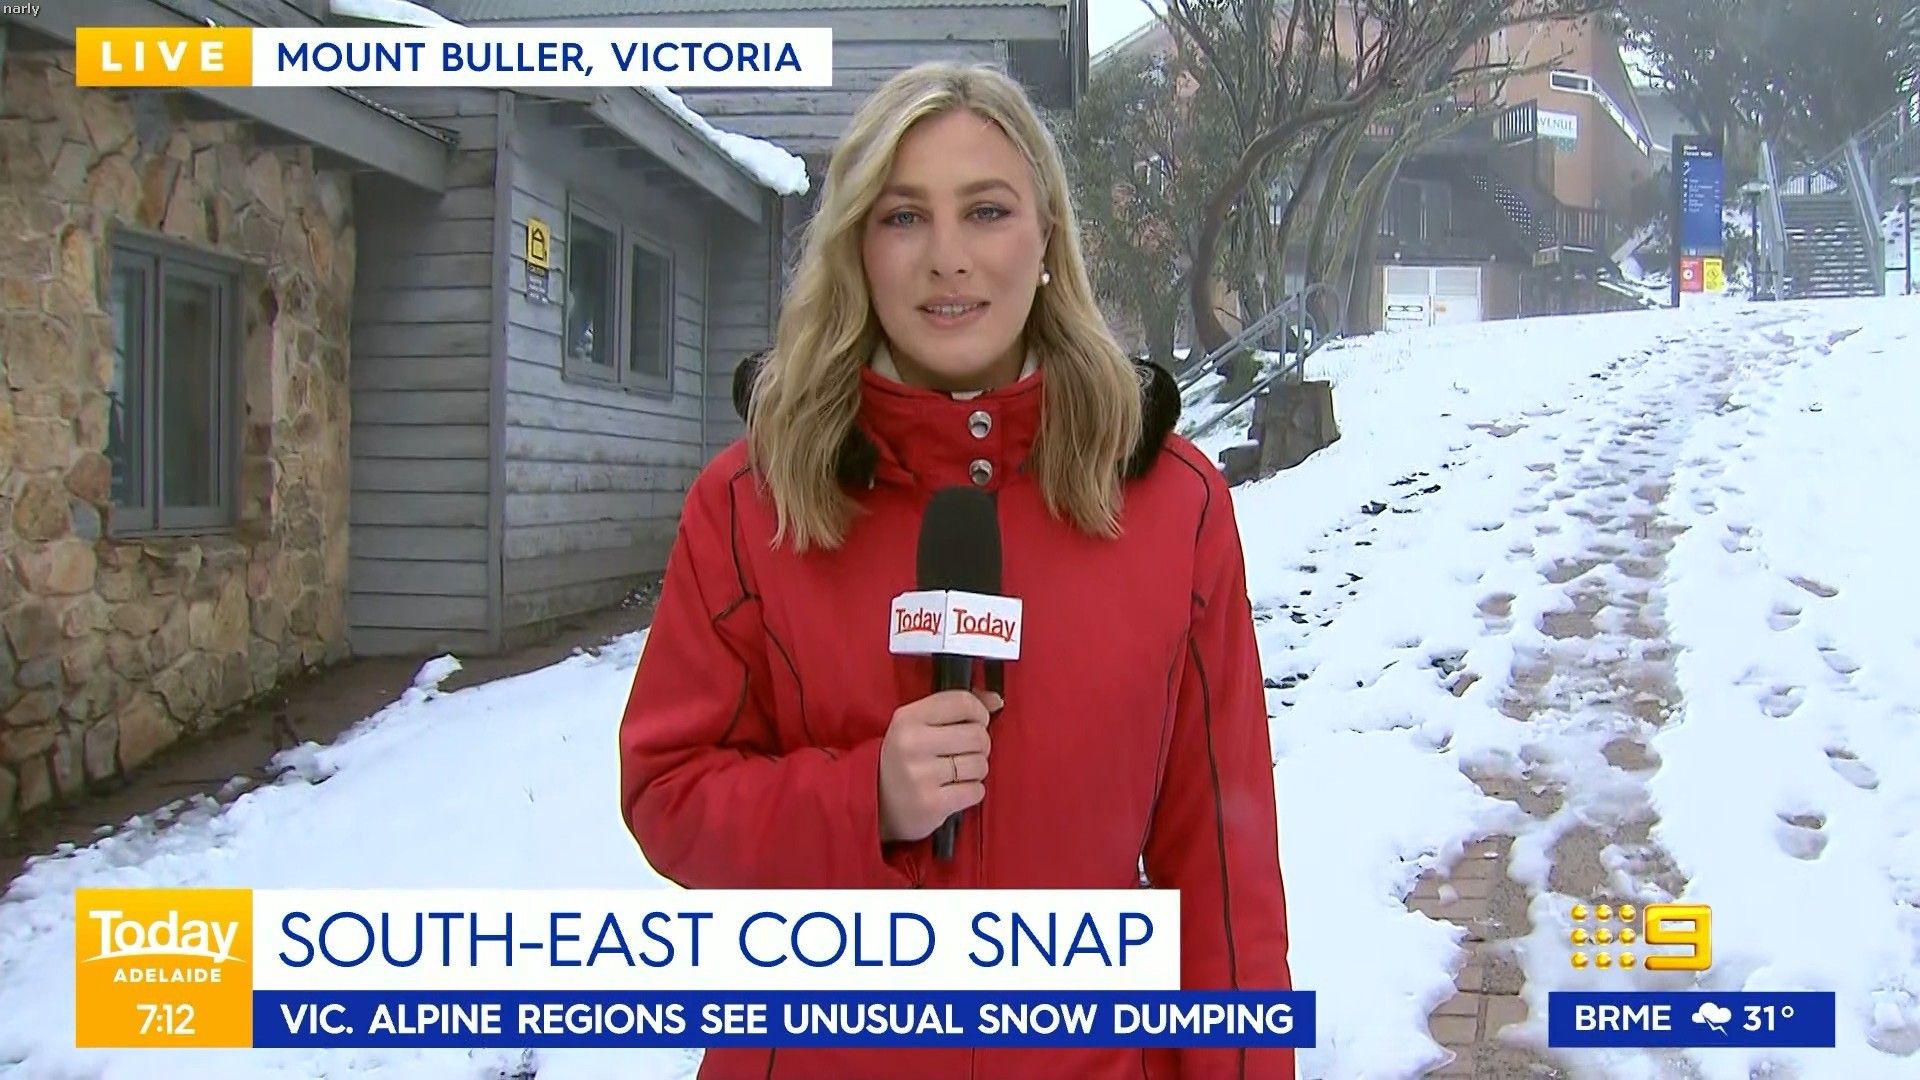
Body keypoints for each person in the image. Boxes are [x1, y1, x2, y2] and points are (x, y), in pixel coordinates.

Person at [619, 61, 1294, 1079]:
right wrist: (865, 801)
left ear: (1047, 237)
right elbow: (668, 792)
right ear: (857, 247)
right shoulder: (750, 502)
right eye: (903, 218)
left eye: (986, 211)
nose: (948, 259)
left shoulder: (1173, 504)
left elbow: (1222, 866)